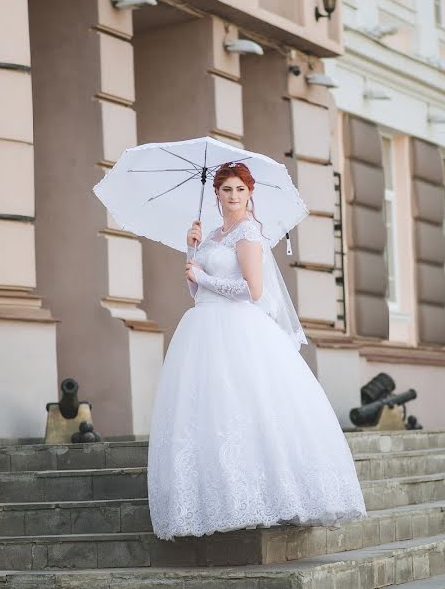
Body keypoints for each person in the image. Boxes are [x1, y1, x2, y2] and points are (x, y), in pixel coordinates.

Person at [146, 162, 366, 541]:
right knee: (212, 413)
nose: (233, 196)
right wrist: (191, 251)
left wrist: (203, 275)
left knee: (247, 407)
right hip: (203, 328)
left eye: (240, 190)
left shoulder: (248, 232)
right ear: (215, 193)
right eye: (227, 189)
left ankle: (266, 496)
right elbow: (198, 295)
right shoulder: (212, 235)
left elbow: (253, 290)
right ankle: (220, 498)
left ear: (250, 195)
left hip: (237, 329)